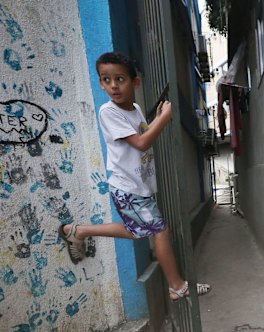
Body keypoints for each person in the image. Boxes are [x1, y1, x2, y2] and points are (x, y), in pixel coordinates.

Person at [58, 52, 210, 300]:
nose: (113, 86)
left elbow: (142, 132)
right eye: (106, 80)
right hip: (128, 188)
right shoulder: (109, 112)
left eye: (120, 79)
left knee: (138, 230)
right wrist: (164, 119)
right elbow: (140, 143)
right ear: (100, 83)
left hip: (138, 185)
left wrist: (156, 119)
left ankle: (79, 231)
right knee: (160, 231)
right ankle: (177, 286)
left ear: (135, 82)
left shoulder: (135, 108)